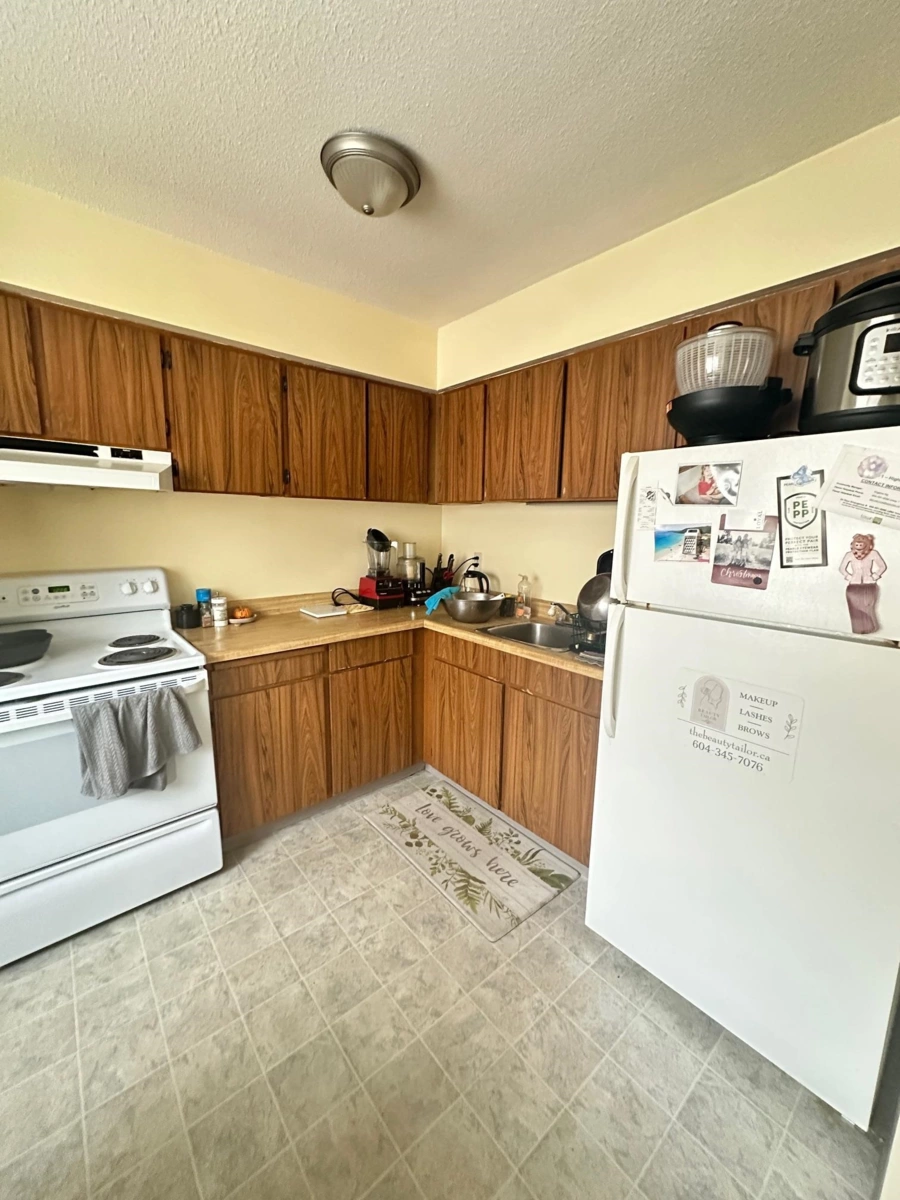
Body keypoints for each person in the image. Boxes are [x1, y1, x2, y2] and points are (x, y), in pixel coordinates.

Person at [839, 533, 887, 635]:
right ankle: (858, 628)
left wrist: (874, 576)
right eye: (857, 543)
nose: (859, 546)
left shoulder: (873, 553)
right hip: (853, 585)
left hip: (869, 584)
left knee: (868, 606)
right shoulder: (849, 555)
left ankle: (870, 627)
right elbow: (842, 568)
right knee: (855, 609)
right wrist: (849, 577)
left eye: (861, 543)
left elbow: (882, 566)